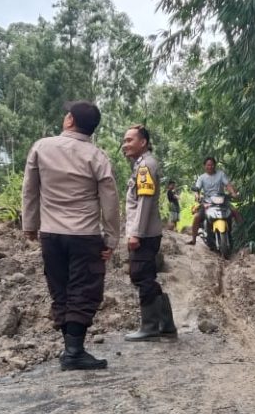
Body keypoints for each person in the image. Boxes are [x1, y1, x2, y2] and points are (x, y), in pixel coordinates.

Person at [22, 100, 120, 370]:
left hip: (51, 234)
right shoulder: (96, 156)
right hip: (84, 234)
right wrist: (111, 239)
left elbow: (30, 189)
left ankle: (71, 350)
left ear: (69, 121)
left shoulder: (41, 147)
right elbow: (110, 201)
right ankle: (74, 351)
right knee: (83, 289)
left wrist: (30, 224)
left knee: (60, 288)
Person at [120, 125, 178, 341]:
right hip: (146, 231)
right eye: (124, 140)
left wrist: (136, 233)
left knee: (142, 276)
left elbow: (144, 203)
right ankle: (166, 324)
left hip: (144, 233)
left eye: (129, 140)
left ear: (143, 142)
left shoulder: (145, 166)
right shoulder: (142, 165)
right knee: (145, 276)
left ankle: (150, 327)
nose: (125, 144)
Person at [187, 157, 240, 245]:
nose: (210, 167)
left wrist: (233, 193)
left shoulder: (221, 174)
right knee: (197, 217)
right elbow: (197, 189)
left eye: (212, 165)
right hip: (208, 202)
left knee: (235, 211)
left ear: (214, 165)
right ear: (204, 166)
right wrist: (197, 195)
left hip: (222, 201)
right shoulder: (201, 178)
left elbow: (228, 185)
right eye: (208, 165)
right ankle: (193, 239)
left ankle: (242, 234)